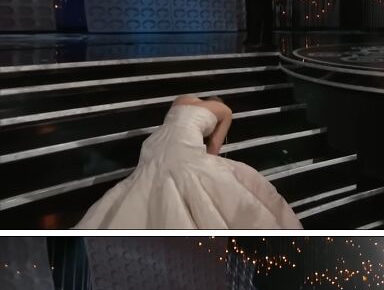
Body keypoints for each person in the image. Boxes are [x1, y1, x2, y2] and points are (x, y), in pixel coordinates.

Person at [74, 95, 301, 229]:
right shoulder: (225, 111)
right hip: (183, 144)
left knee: (149, 180)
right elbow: (214, 148)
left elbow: (175, 123)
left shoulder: (182, 99)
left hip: (154, 144)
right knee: (213, 175)